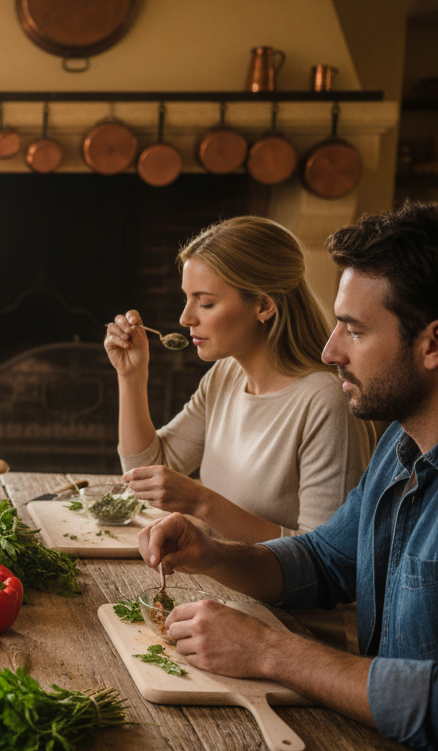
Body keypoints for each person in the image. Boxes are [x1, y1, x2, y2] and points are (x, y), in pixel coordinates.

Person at [138, 202, 438, 751]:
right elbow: (325, 560)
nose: (330, 352)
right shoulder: (399, 451)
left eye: (354, 330)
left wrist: (273, 652)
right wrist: (215, 555)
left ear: (432, 344)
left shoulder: (326, 403)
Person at [105, 217, 374, 544]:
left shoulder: (326, 403)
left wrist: (202, 503)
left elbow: (326, 559)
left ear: (263, 305)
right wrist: (131, 375)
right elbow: (148, 469)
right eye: (187, 298)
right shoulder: (225, 375)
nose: (185, 318)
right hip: (212, 579)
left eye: (205, 302)